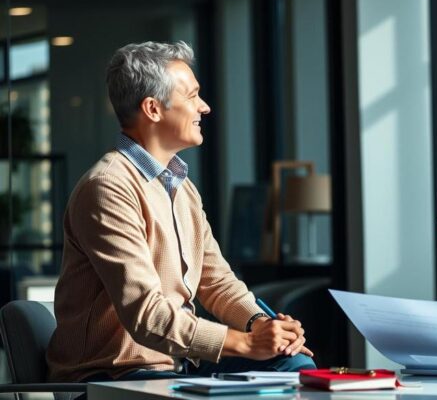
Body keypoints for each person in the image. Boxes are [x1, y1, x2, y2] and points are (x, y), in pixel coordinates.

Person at [47, 41, 315, 383]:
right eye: (192, 95)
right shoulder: (107, 187)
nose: (204, 107)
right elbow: (147, 315)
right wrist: (244, 343)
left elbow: (216, 281)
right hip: (111, 375)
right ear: (153, 109)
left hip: (177, 366)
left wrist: (262, 325)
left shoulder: (180, 186)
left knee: (296, 370)